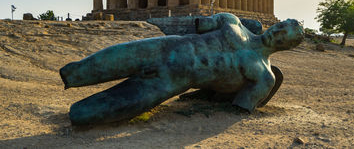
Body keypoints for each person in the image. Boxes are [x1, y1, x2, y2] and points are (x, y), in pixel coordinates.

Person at [60, 13, 304, 125]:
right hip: (167, 47)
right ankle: (72, 76)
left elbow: (240, 106)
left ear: (287, 47)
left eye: (284, 37)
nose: (277, 33)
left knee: (84, 114)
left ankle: (80, 111)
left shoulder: (264, 76)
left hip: (176, 79)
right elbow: (197, 26)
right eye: (280, 27)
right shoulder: (233, 22)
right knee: (88, 67)